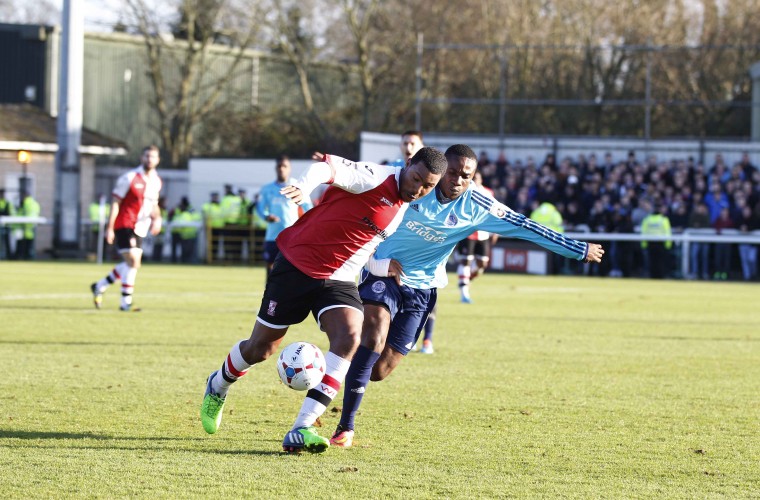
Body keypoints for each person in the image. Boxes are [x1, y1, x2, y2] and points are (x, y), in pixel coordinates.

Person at [329, 144, 605, 448]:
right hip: (383, 273)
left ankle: (333, 368)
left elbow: (526, 226)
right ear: (441, 169)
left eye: (466, 175)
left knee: (380, 370)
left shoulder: (478, 205)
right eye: (453, 172)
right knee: (374, 335)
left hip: (423, 288)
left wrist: (578, 249)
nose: (458, 180)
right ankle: (346, 426)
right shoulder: (413, 185)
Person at [200, 148, 448, 454]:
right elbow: (324, 170)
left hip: (338, 279)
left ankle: (301, 427)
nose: (419, 189)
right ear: (408, 165)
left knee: (350, 338)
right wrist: (304, 186)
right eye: (416, 179)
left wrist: (381, 267)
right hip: (296, 264)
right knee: (260, 349)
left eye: (428, 186)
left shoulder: (402, 208)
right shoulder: (373, 176)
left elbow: (364, 248)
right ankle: (218, 385)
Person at [90, 145, 163, 311]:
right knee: (133, 261)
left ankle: (100, 286)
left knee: (132, 264)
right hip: (124, 223)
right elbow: (116, 202)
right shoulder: (129, 178)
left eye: (152, 157)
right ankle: (125, 303)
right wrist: (109, 228)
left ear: (157, 160)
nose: (149, 159)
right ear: (141, 158)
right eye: (146, 156)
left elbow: (154, 204)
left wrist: (157, 218)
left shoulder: (156, 181)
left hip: (141, 227)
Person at [256, 155, 313, 277]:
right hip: (272, 236)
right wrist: (266, 216)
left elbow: (309, 208)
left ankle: (290, 294)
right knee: (270, 267)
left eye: (284, 166)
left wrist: (304, 225)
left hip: (291, 236)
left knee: (292, 268)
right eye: (279, 166)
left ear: (289, 168)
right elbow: (260, 208)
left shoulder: (297, 187)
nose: (281, 169)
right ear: (275, 168)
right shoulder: (267, 189)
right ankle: (270, 293)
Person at [456, 171, 497, 304]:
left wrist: (495, 231)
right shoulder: (464, 191)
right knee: (466, 262)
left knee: (482, 264)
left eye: (477, 178)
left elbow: (494, 211)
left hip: (483, 233)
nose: (475, 180)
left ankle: (466, 279)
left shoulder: (488, 192)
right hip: (467, 233)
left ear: (481, 179)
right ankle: (464, 293)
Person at [640, 202, 672, 279]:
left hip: (650, 243)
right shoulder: (664, 219)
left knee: (651, 261)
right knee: (660, 261)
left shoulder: (647, 220)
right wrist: (668, 245)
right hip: (661, 243)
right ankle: (660, 276)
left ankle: (652, 276)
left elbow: (644, 232)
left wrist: (643, 244)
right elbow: (667, 233)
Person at [15, 192, 41, 260]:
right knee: (29, 243)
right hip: (31, 226)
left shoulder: (26, 203)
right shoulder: (35, 203)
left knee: (21, 243)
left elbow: (22, 214)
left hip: (23, 226)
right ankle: (28, 256)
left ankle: (21, 256)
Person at [202, 192, 224, 261]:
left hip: (219, 227)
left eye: (216, 197)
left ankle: (214, 258)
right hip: (210, 227)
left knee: (216, 244)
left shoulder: (221, 205)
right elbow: (204, 215)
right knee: (209, 244)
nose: (215, 198)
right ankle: (208, 259)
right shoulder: (207, 205)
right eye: (214, 197)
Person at [0, 188, 15, 259]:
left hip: (6, 225)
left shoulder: (8, 203)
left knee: (7, 242)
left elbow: (11, 213)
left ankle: (9, 256)